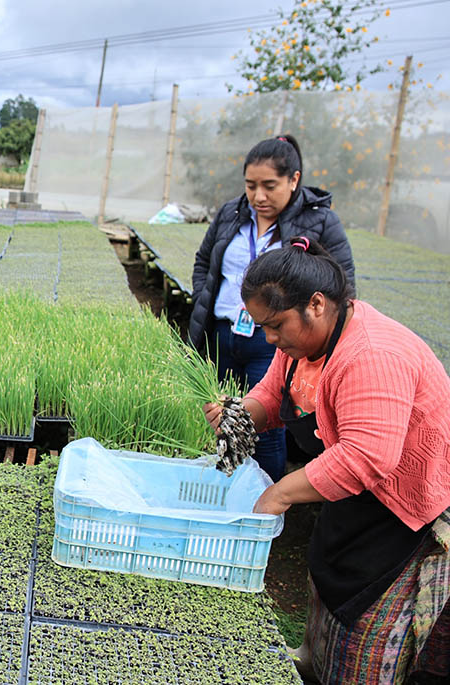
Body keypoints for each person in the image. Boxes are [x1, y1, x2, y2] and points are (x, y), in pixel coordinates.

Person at [203, 239, 450, 684]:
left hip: (403, 508)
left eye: (275, 325)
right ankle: (315, 663)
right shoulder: (299, 345)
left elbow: (366, 456)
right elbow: (272, 394)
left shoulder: (372, 355)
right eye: (263, 327)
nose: (270, 339)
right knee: (328, 569)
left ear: (316, 305)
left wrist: (279, 493)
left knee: (368, 610)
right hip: (353, 493)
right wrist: (239, 415)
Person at [190, 135, 354, 482]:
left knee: (265, 425)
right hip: (223, 333)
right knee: (221, 415)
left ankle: (266, 492)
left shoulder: (320, 222)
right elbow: (204, 261)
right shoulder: (232, 213)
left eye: (269, 186)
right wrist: (203, 298)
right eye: (250, 186)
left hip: (275, 343)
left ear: (294, 180)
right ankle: (226, 485)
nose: (258, 196)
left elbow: (342, 285)